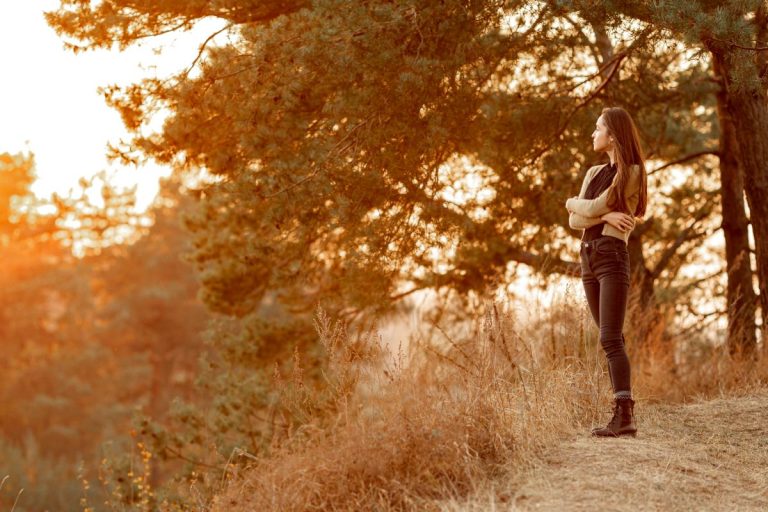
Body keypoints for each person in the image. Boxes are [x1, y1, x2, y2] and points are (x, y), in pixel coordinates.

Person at [565, 107, 647, 437]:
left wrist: (575, 203)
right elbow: (576, 220)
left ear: (612, 135)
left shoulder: (633, 172)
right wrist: (601, 216)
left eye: (597, 128)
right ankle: (622, 412)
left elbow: (592, 206)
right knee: (610, 338)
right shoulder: (593, 172)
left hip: (612, 255)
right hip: (588, 256)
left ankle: (624, 415)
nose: (592, 134)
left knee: (610, 338)